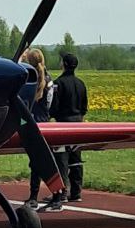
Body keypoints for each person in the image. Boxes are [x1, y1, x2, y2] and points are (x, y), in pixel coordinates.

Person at [51, 50, 89, 203]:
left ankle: (62, 192)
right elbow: (84, 106)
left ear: (64, 64)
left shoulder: (58, 83)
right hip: (78, 124)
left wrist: (52, 116)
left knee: (61, 159)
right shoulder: (81, 84)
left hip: (63, 125)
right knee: (76, 159)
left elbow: (54, 106)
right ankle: (76, 192)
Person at [20, 47, 54, 209]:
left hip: (32, 124)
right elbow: (50, 102)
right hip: (45, 122)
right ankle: (58, 194)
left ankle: (34, 196)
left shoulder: (28, 80)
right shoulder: (49, 80)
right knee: (46, 160)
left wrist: (20, 58)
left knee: (36, 162)